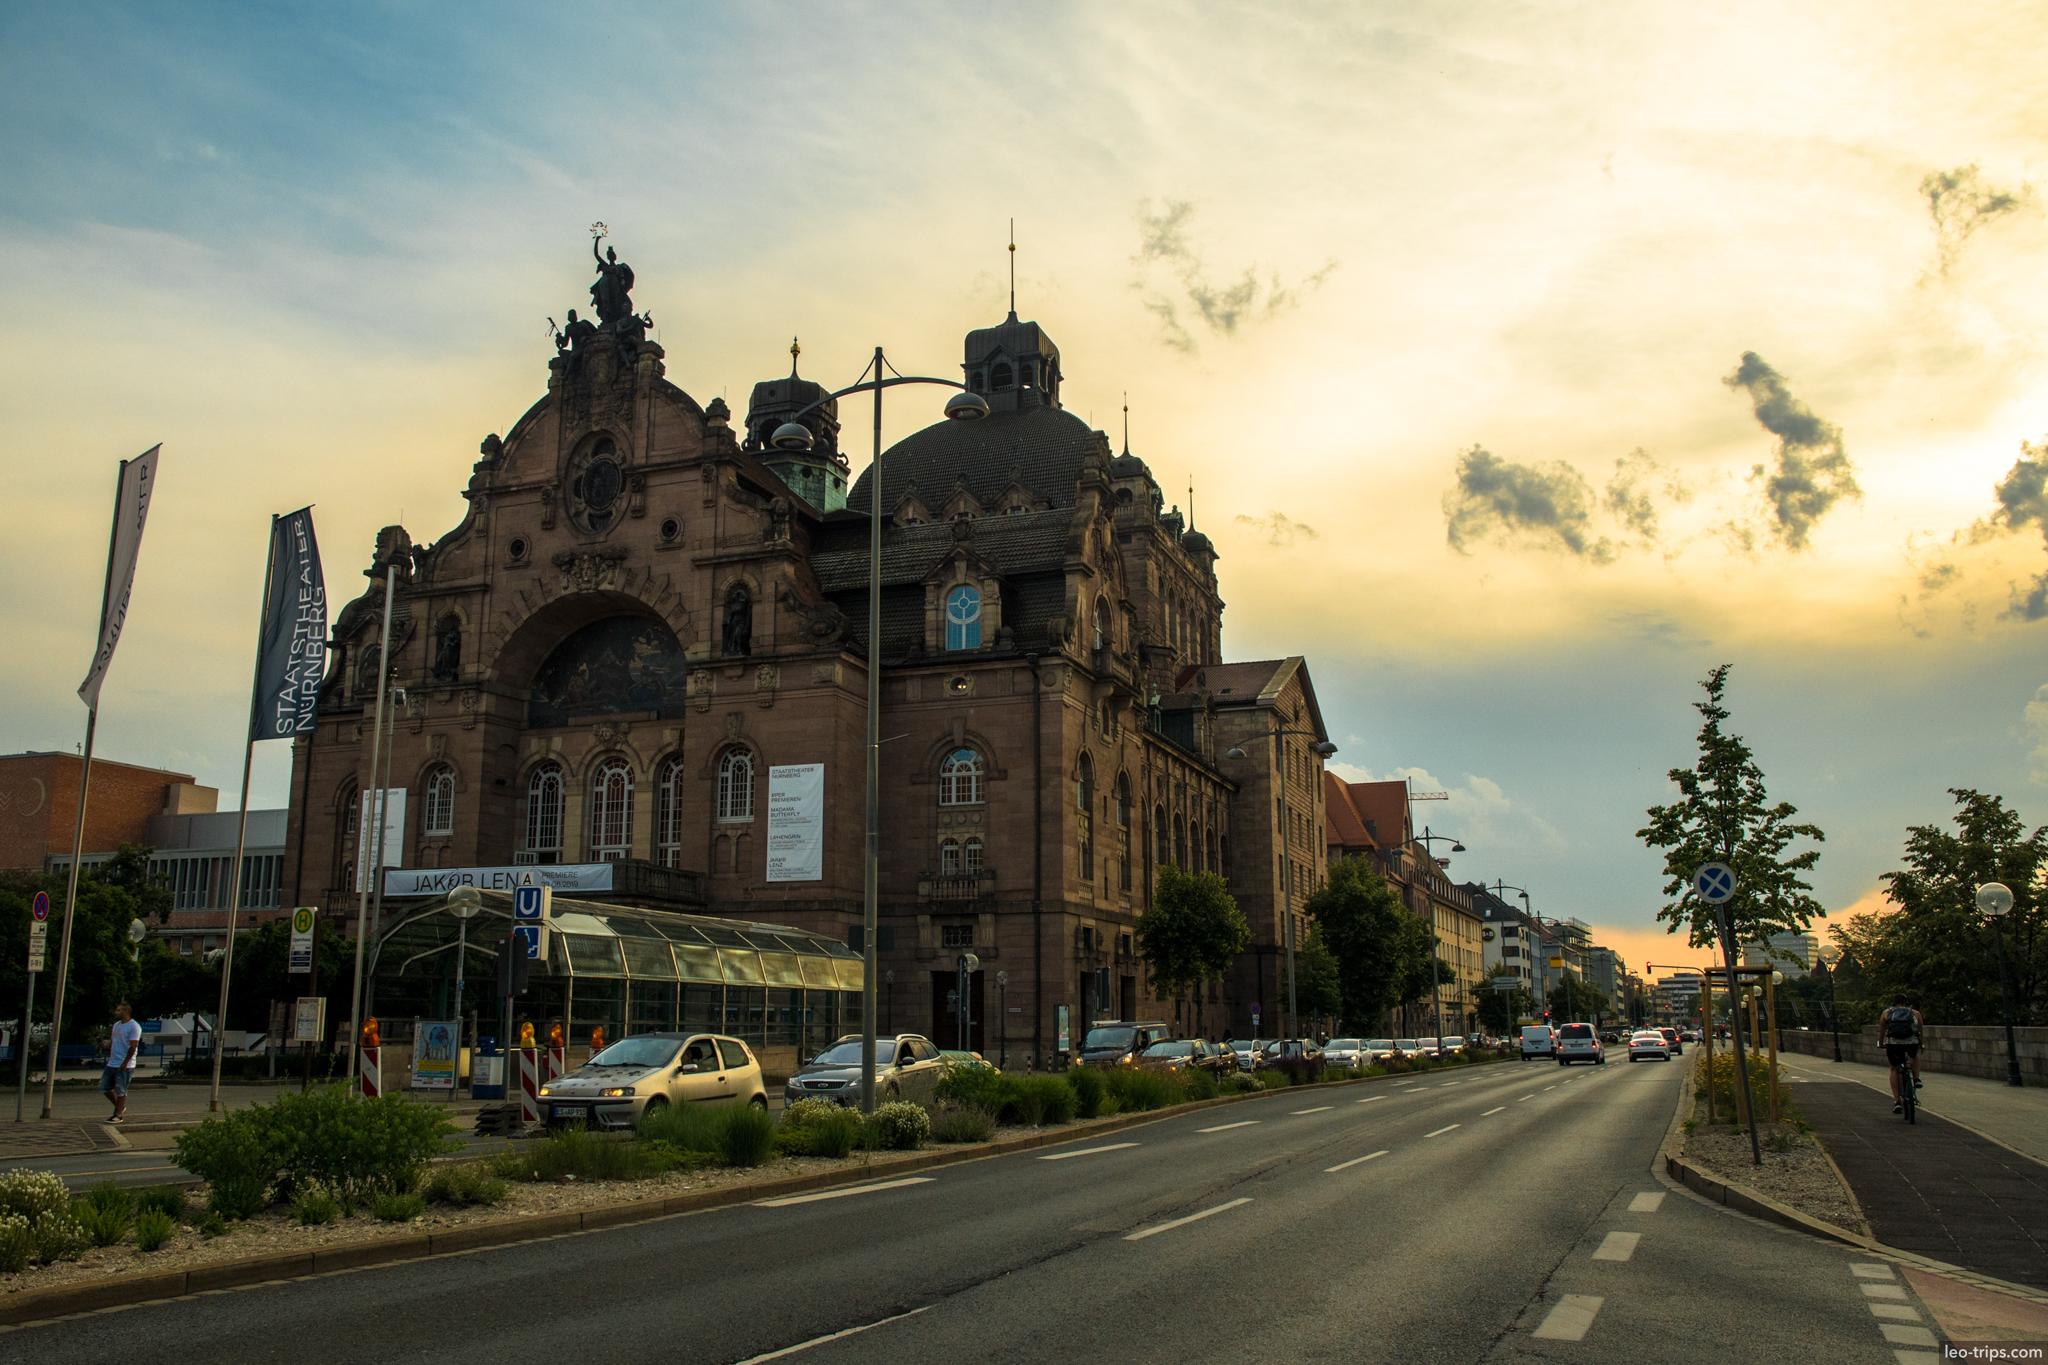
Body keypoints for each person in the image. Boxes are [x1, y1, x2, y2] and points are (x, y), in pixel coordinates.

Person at [1880, 992, 1924, 1113]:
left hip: (1893, 1043)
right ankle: (1916, 1078)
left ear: (1893, 1002)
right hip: (1911, 1042)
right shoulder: (1915, 1013)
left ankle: (1897, 1101)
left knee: (1894, 1069)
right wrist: (1922, 1043)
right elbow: (1920, 1030)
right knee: (1914, 1055)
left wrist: (1881, 1043)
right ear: (1906, 1002)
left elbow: (1882, 1030)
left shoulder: (1886, 1013)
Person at [102, 1002, 142, 1124]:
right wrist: (105, 1045)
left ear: (125, 1012)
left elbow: (133, 1046)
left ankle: (118, 1115)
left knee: (121, 1090)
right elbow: (113, 1042)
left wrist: (125, 1062)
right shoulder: (116, 1025)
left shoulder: (134, 1026)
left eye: (118, 1010)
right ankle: (120, 1106)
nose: (116, 1012)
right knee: (104, 1087)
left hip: (125, 1064)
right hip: (112, 1062)